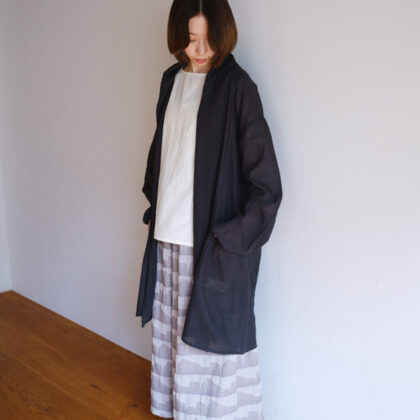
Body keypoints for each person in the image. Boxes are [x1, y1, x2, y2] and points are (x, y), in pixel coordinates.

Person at [138, 0, 283, 418]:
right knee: (175, 337)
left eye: (208, 39)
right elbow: (163, 153)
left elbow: (267, 185)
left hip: (210, 244)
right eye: (190, 39)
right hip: (168, 237)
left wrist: (231, 238)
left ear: (223, 34)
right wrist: (155, 209)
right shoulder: (171, 80)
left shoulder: (238, 88)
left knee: (210, 342)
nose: (200, 50)